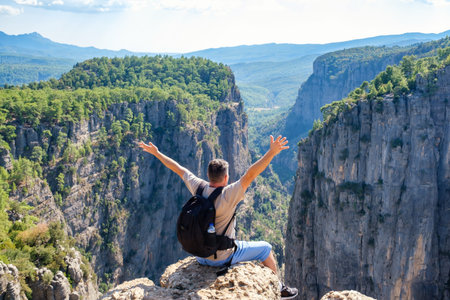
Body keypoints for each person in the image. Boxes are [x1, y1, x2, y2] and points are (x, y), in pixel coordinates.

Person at [138, 135, 298, 299]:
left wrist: (156, 153)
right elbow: (251, 174)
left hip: (200, 256)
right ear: (226, 177)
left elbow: (178, 169)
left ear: (208, 175)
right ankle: (278, 288)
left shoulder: (198, 187)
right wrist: (271, 152)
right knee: (266, 249)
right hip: (222, 257)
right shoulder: (229, 194)